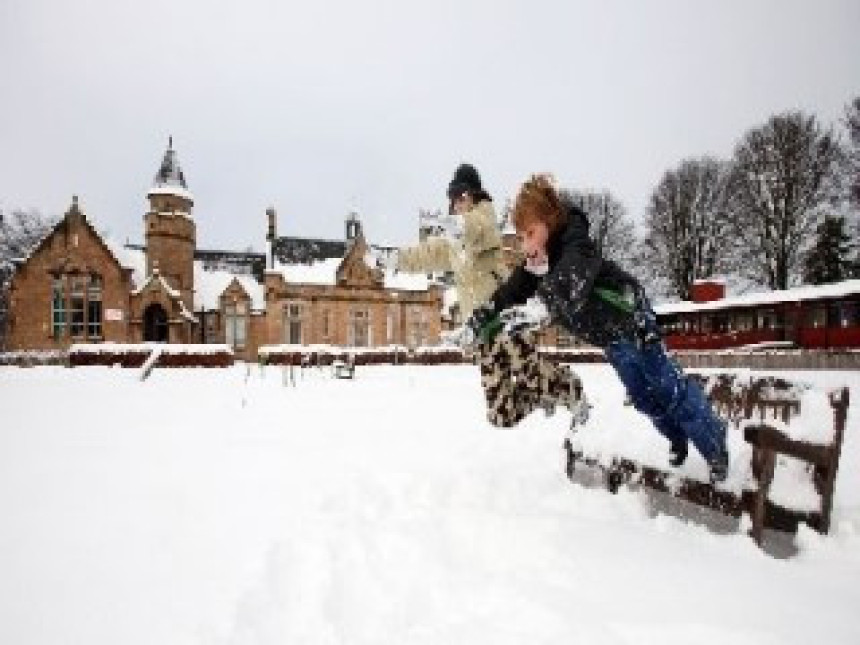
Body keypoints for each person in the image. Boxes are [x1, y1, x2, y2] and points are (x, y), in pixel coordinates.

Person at [463, 174, 730, 482]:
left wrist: (540, 308)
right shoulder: (539, 261)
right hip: (611, 338)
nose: (525, 245)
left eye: (530, 233)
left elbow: (571, 281)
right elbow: (509, 293)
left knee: (668, 388)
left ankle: (715, 446)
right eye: (521, 237)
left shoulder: (578, 246)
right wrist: (480, 319)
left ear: (549, 224)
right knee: (642, 396)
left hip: (633, 320)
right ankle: (678, 438)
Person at [398, 164, 590, 428]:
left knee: (530, 374)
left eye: (462, 197)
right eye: (453, 199)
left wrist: (458, 225)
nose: (457, 204)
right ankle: (541, 398)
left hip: (503, 317)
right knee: (501, 414)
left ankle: (571, 391)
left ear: (475, 196)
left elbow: (475, 230)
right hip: (482, 331)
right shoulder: (453, 244)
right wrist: (395, 260)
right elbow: (426, 254)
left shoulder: (484, 219)